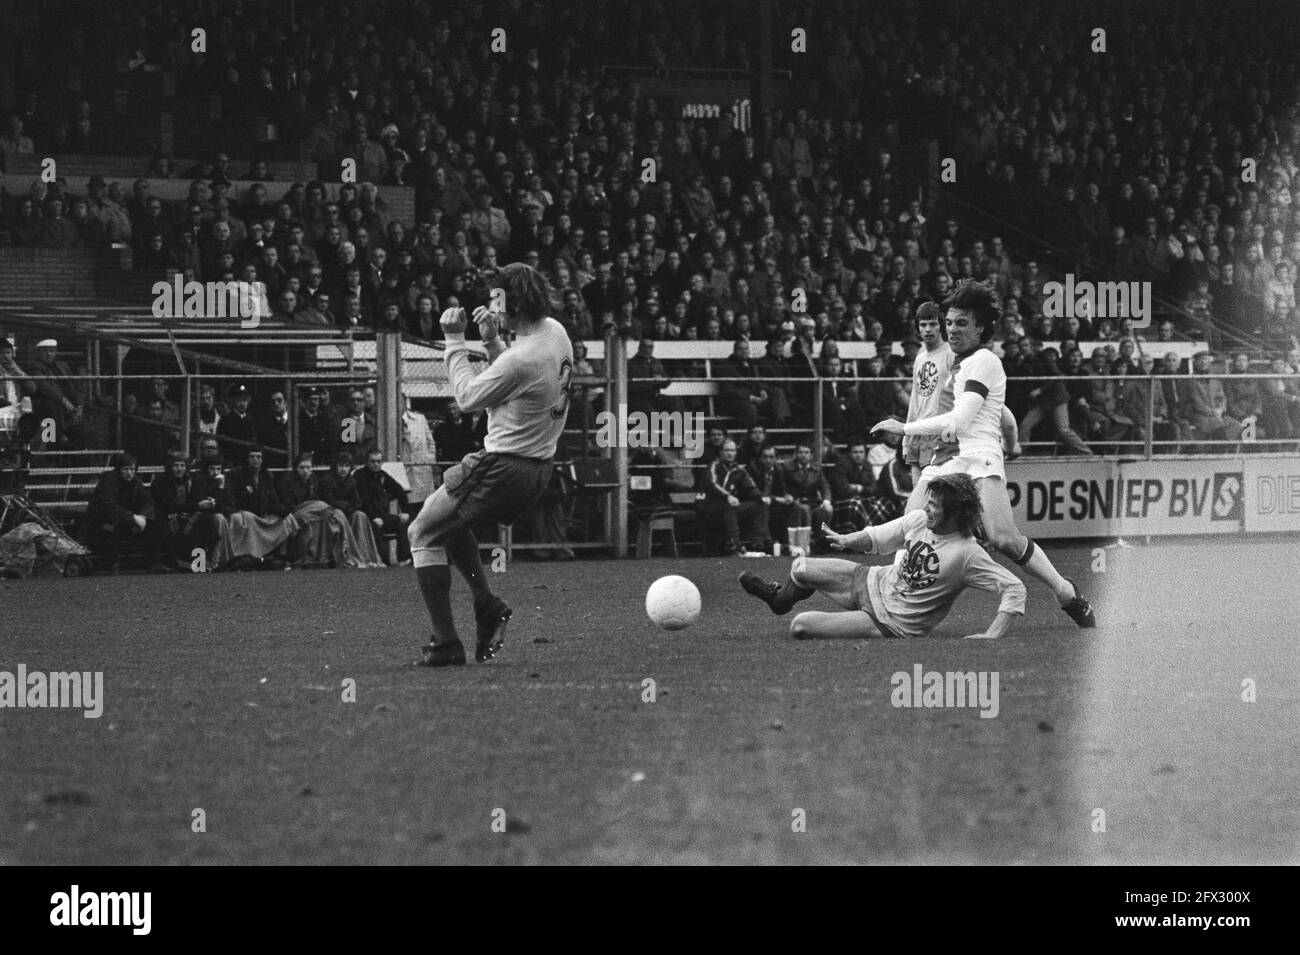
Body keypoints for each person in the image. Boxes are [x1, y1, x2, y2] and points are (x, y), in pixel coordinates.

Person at [870, 281, 1096, 628]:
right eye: (950, 322)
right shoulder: (951, 366)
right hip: (944, 460)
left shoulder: (985, 361)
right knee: (911, 527)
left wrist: (905, 428)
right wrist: (1014, 441)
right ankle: (895, 604)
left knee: (1002, 539)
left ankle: (1066, 592)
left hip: (977, 456)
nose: (952, 329)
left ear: (981, 328)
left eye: (962, 323)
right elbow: (1001, 413)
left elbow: (961, 419)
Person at [408, 263, 573, 667]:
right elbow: (518, 382)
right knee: (451, 524)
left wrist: (453, 340)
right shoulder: (554, 332)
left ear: (513, 302)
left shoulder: (525, 358)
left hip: (504, 465)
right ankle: (485, 603)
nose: (489, 306)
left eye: (496, 299)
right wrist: (494, 341)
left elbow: (467, 397)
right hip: (537, 466)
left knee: (422, 533)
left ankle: (446, 643)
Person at [739, 473, 1026, 640]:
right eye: (927, 502)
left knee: (799, 625)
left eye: (934, 506)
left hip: (889, 621)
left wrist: (993, 634)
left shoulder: (968, 553)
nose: (926, 509)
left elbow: (1014, 587)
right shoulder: (918, 520)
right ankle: (778, 601)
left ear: (954, 514)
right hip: (872, 580)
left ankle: (827, 615)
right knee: (799, 567)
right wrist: (845, 539)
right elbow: (877, 536)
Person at [87, 451, 160, 571]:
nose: (129, 473)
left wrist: (143, 516)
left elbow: (148, 501)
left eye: (132, 469)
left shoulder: (136, 482)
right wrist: (133, 518)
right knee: (112, 523)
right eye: (125, 469)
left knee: (158, 519)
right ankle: (112, 563)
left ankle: (153, 562)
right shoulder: (108, 481)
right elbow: (108, 506)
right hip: (100, 523)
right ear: (119, 469)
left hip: (126, 520)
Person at [355, 448, 412, 564]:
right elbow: (363, 500)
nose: (376, 464)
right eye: (373, 461)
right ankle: (379, 560)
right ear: (366, 462)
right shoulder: (360, 475)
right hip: (365, 516)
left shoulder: (382, 475)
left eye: (378, 461)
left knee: (403, 522)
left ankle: (404, 558)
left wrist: (405, 512)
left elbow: (399, 490)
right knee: (375, 526)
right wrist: (373, 517)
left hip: (381, 515)